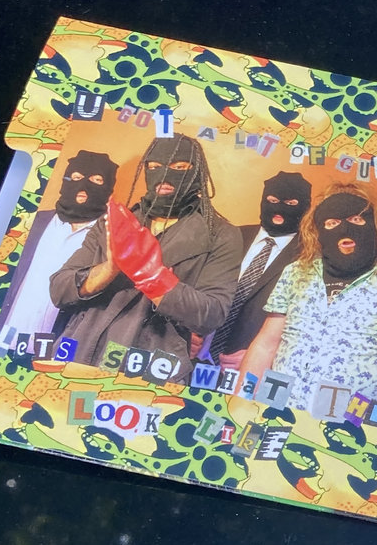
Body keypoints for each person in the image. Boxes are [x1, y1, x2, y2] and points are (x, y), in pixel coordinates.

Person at [50, 134, 241, 379]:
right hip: (80, 351)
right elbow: (59, 289)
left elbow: (212, 314)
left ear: (198, 172)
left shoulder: (219, 234)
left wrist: (153, 278)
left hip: (149, 366)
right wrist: (110, 269)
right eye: (154, 166)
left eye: (179, 167)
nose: (164, 175)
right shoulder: (115, 221)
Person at [241, 185, 377, 417]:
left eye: (355, 219)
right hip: (277, 410)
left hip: (347, 424)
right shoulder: (296, 273)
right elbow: (265, 345)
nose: (344, 229)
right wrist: (240, 403)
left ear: (374, 224)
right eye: (332, 223)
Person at [0, 149, 118, 349]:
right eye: (76, 177)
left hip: (56, 350)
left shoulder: (111, 238)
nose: (84, 186)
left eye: (96, 180)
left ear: (109, 190)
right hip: (3, 339)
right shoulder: (30, 223)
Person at [199, 170, 311, 367]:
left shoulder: (309, 257)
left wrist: (264, 357)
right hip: (193, 358)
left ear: (305, 207)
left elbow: (307, 322)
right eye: (273, 200)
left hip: (248, 370)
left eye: (291, 203)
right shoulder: (230, 236)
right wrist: (186, 333)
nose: (279, 209)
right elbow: (198, 286)